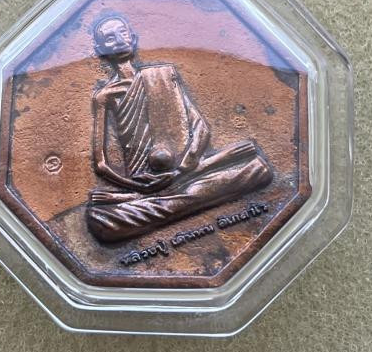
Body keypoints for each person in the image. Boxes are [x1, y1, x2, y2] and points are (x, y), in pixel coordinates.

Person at [87, 15, 272, 243]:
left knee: (250, 162)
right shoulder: (104, 96)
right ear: (100, 49)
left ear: (133, 38)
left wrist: (181, 170)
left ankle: (171, 198)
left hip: (187, 170)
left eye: (122, 33)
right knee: (100, 219)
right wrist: (141, 187)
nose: (118, 40)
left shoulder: (163, 76)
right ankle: (172, 197)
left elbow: (200, 128)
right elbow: (101, 165)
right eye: (109, 38)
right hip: (144, 184)